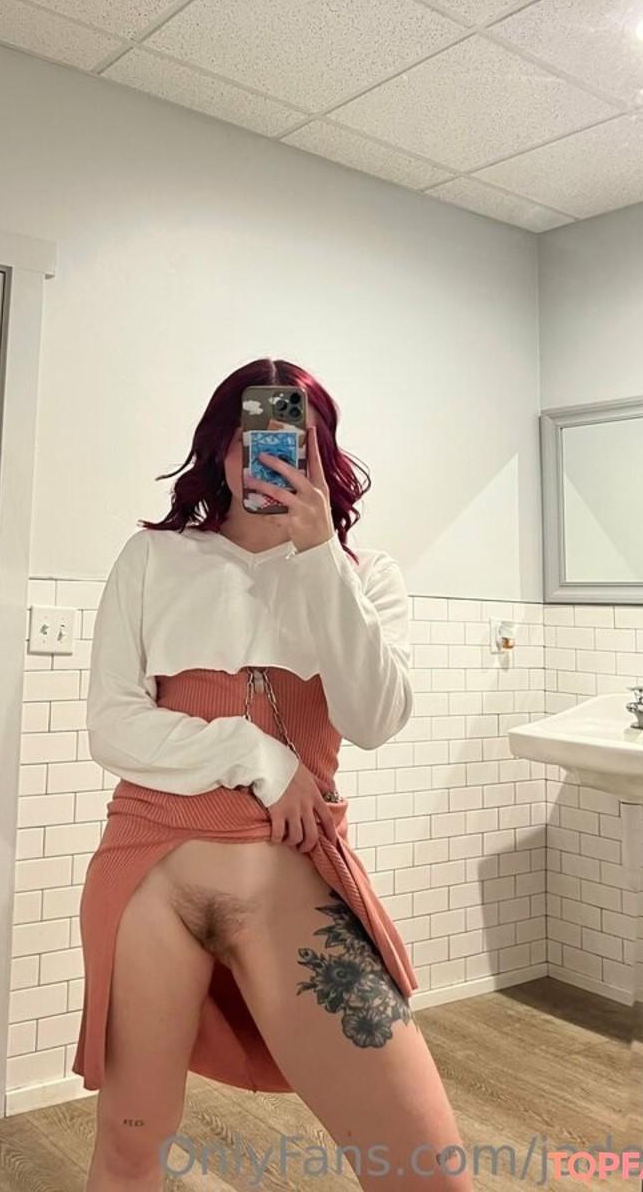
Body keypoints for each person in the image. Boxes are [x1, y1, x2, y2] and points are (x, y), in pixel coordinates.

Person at [73, 360, 473, 1192]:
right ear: (219, 449)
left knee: (427, 1170)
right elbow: (112, 724)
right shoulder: (153, 558)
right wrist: (259, 755)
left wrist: (319, 552)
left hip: (288, 885)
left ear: (322, 454)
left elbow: (376, 718)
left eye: (292, 441)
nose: (266, 458)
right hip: (149, 875)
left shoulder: (364, 576)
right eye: (248, 438)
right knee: (129, 1150)